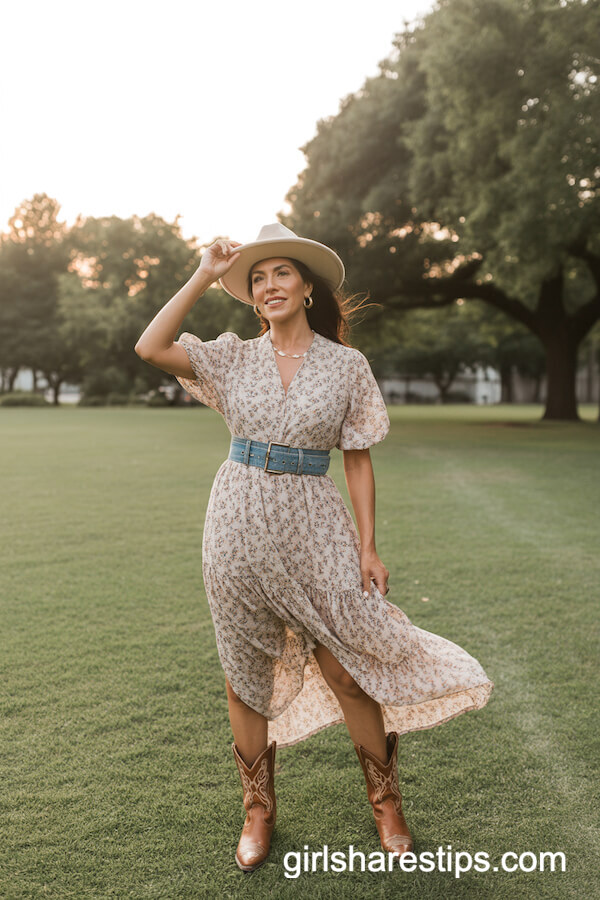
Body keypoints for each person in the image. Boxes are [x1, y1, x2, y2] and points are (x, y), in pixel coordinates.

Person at [134, 222, 494, 873]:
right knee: (244, 675)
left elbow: (357, 459)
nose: (269, 285)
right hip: (237, 522)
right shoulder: (232, 358)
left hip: (315, 522)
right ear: (251, 296)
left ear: (306, 288)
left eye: (282, 273)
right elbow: (150, 346)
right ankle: (257, 811)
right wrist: (203, 272)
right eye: (257, 278)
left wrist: (369, 548)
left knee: (347, 668)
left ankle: (386, 802)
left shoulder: (346, 366)